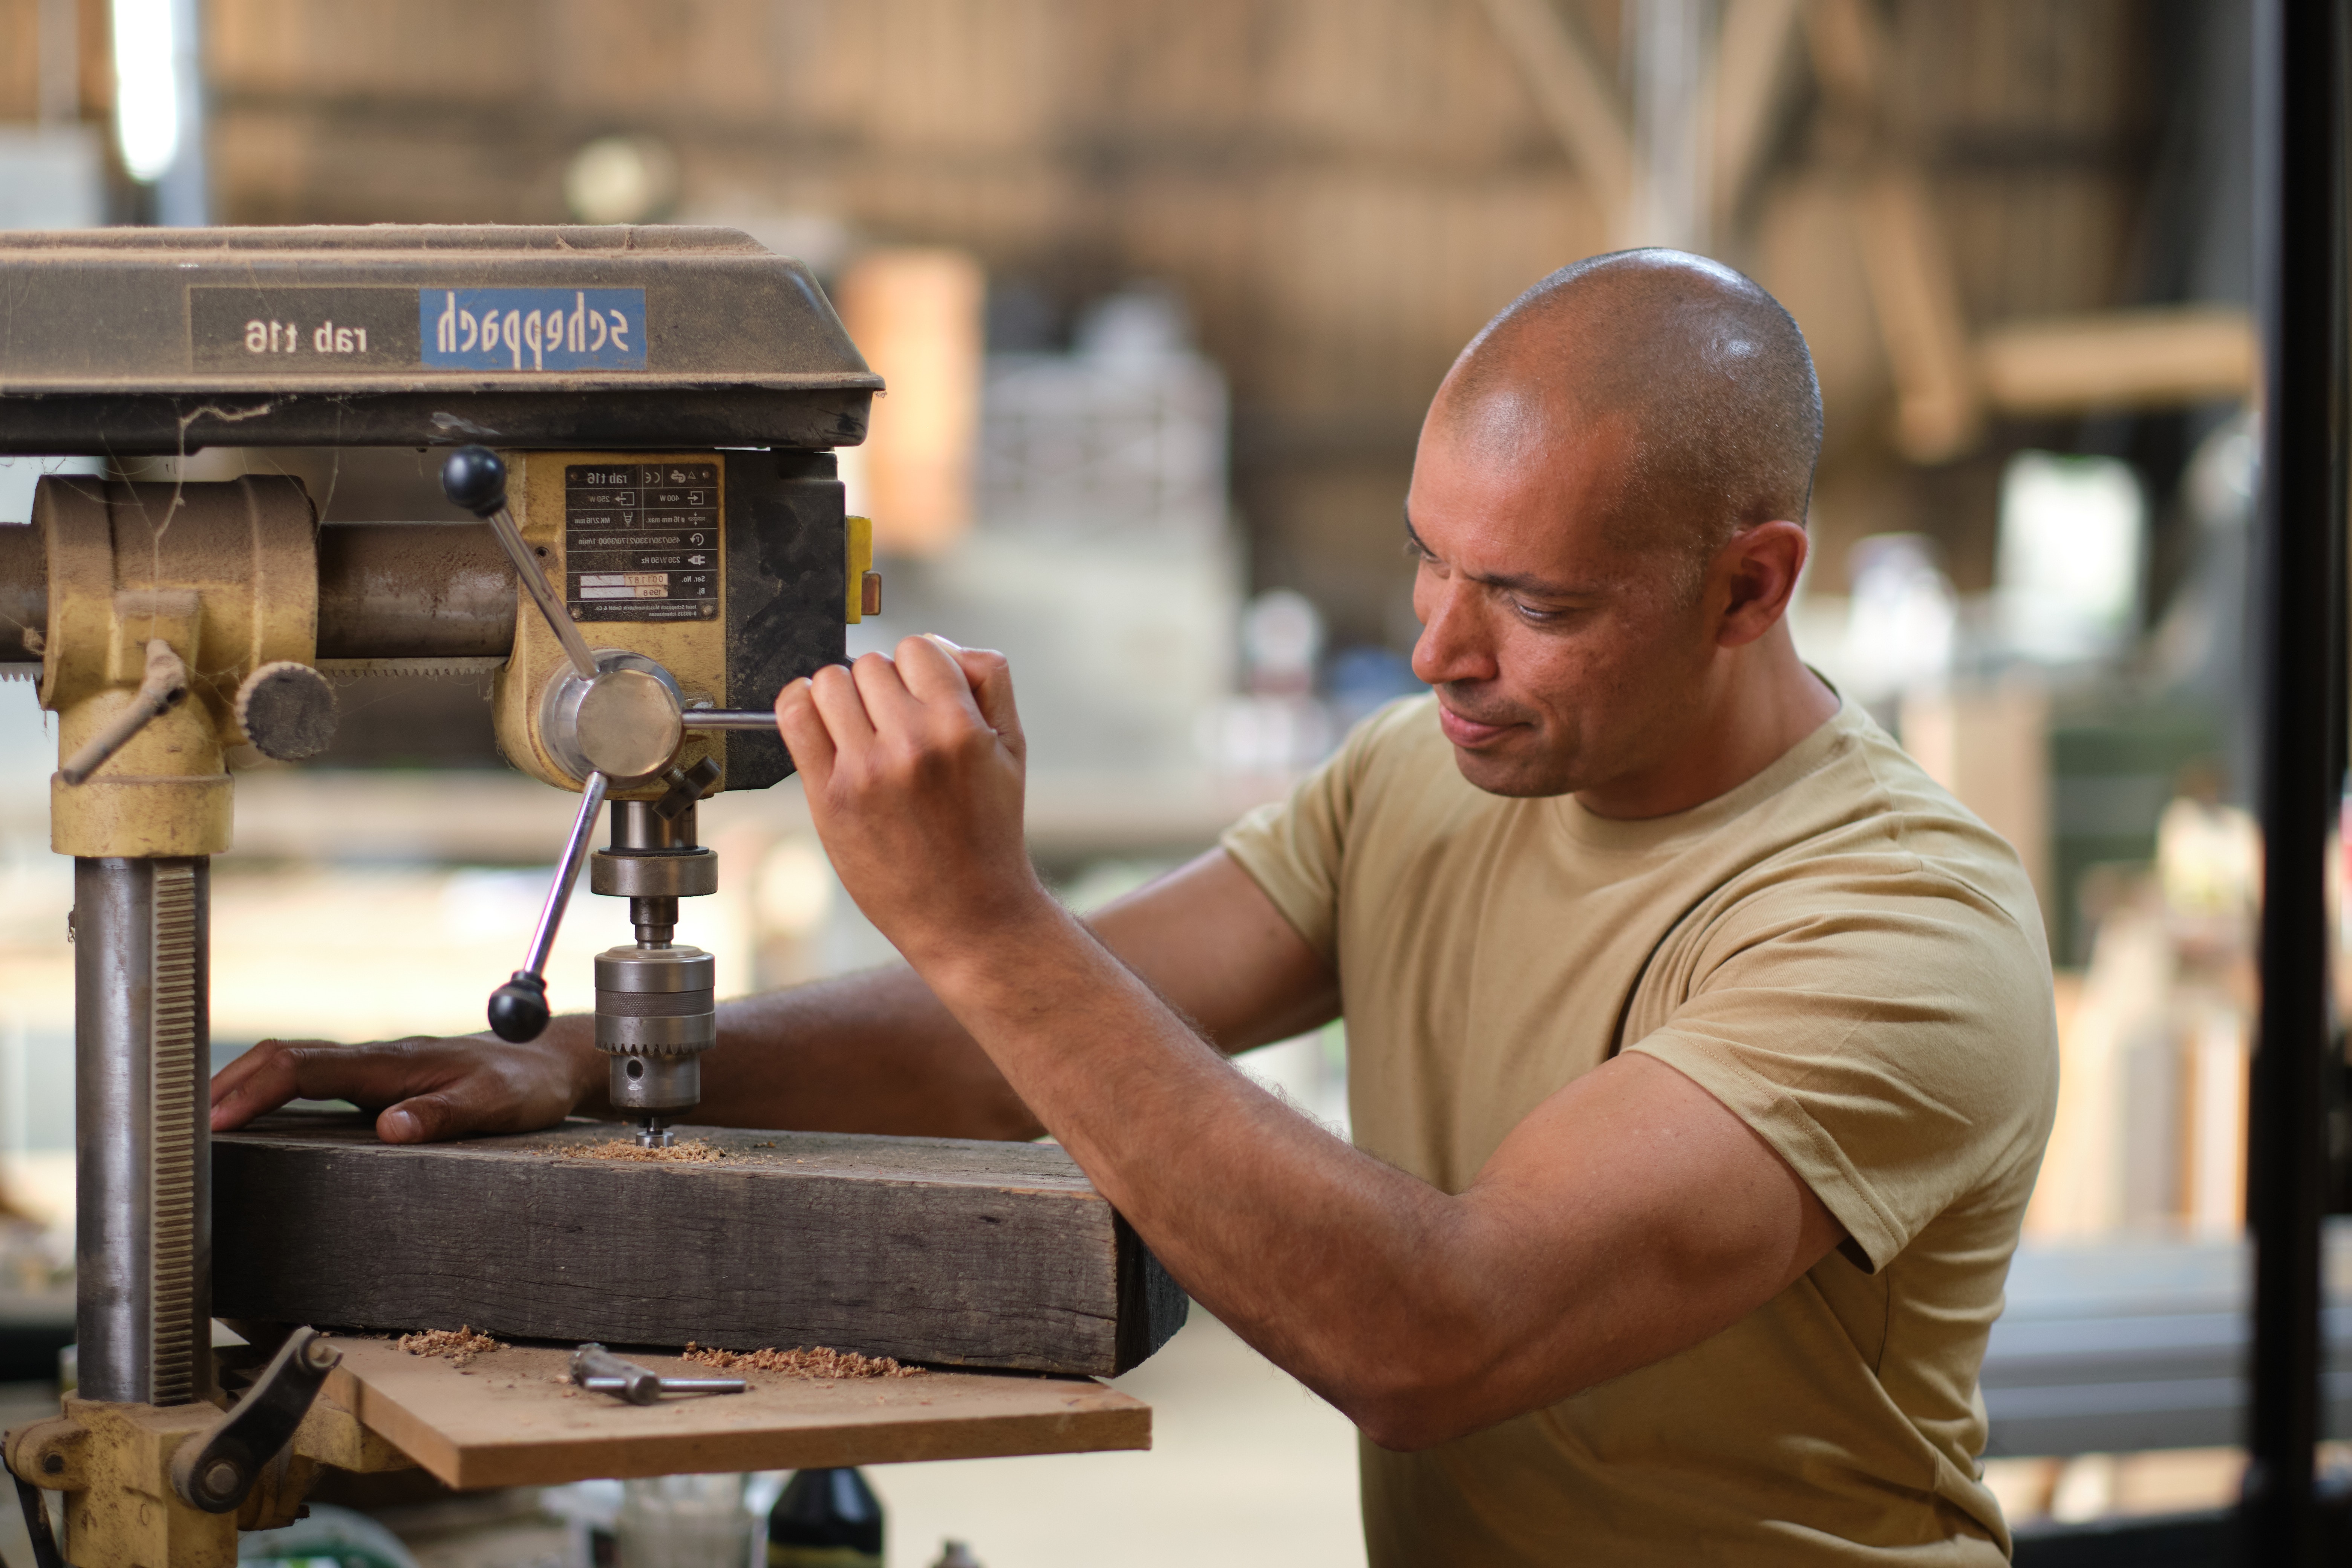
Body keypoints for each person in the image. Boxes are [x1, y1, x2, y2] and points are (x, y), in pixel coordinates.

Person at [214, 250, 2059, 1565]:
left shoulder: (1893, 927)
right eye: (1427, 556)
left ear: (1753, 589)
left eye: (1536, 600)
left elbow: (1439, 1337)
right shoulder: (1427, 776)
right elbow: (1006, 1046)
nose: (1438, 648)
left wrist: (984, 911)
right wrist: (603, 1076)